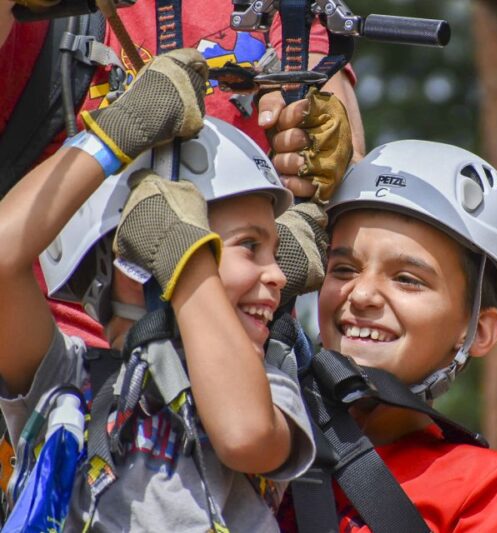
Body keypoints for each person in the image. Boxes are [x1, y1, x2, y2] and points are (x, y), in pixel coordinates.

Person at [0, 48, 315, 531]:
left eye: (276, 253)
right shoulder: (68, 380)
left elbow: (244, 434)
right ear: (133, 258)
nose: (277, 275)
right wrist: (114, 138)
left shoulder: (268, 382)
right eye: (250, 247)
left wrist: (185, 262)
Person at [0, 0, 365, 346]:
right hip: (57, 355)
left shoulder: (289, 12)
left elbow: (341, 172)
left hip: (242, 348)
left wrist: (310, 142)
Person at [280, 140, 497, 532]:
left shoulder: (486, 487)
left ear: (477, 331)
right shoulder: (269, 439)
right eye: (344, 270)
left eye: (407, 279)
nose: (362, 295)